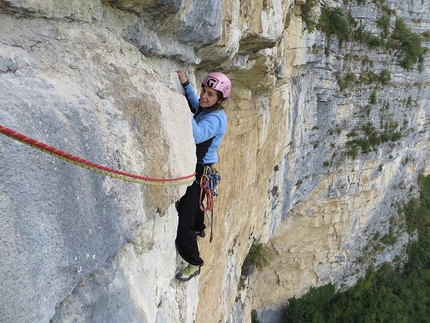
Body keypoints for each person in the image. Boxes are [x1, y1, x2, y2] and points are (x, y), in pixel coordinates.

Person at [175, 70, 231, 282]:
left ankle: (194, 262)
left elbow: (197, 134)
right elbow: (197, 106)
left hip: (199, 172)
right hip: (199, 170)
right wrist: (187, 85)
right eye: (204, 91)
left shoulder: (216, 118)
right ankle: (199, 228)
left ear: (220, 100)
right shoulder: (207, 110)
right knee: (193, 206)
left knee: (183, 220)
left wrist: (180, 106)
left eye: (210, 95)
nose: (204, 97)